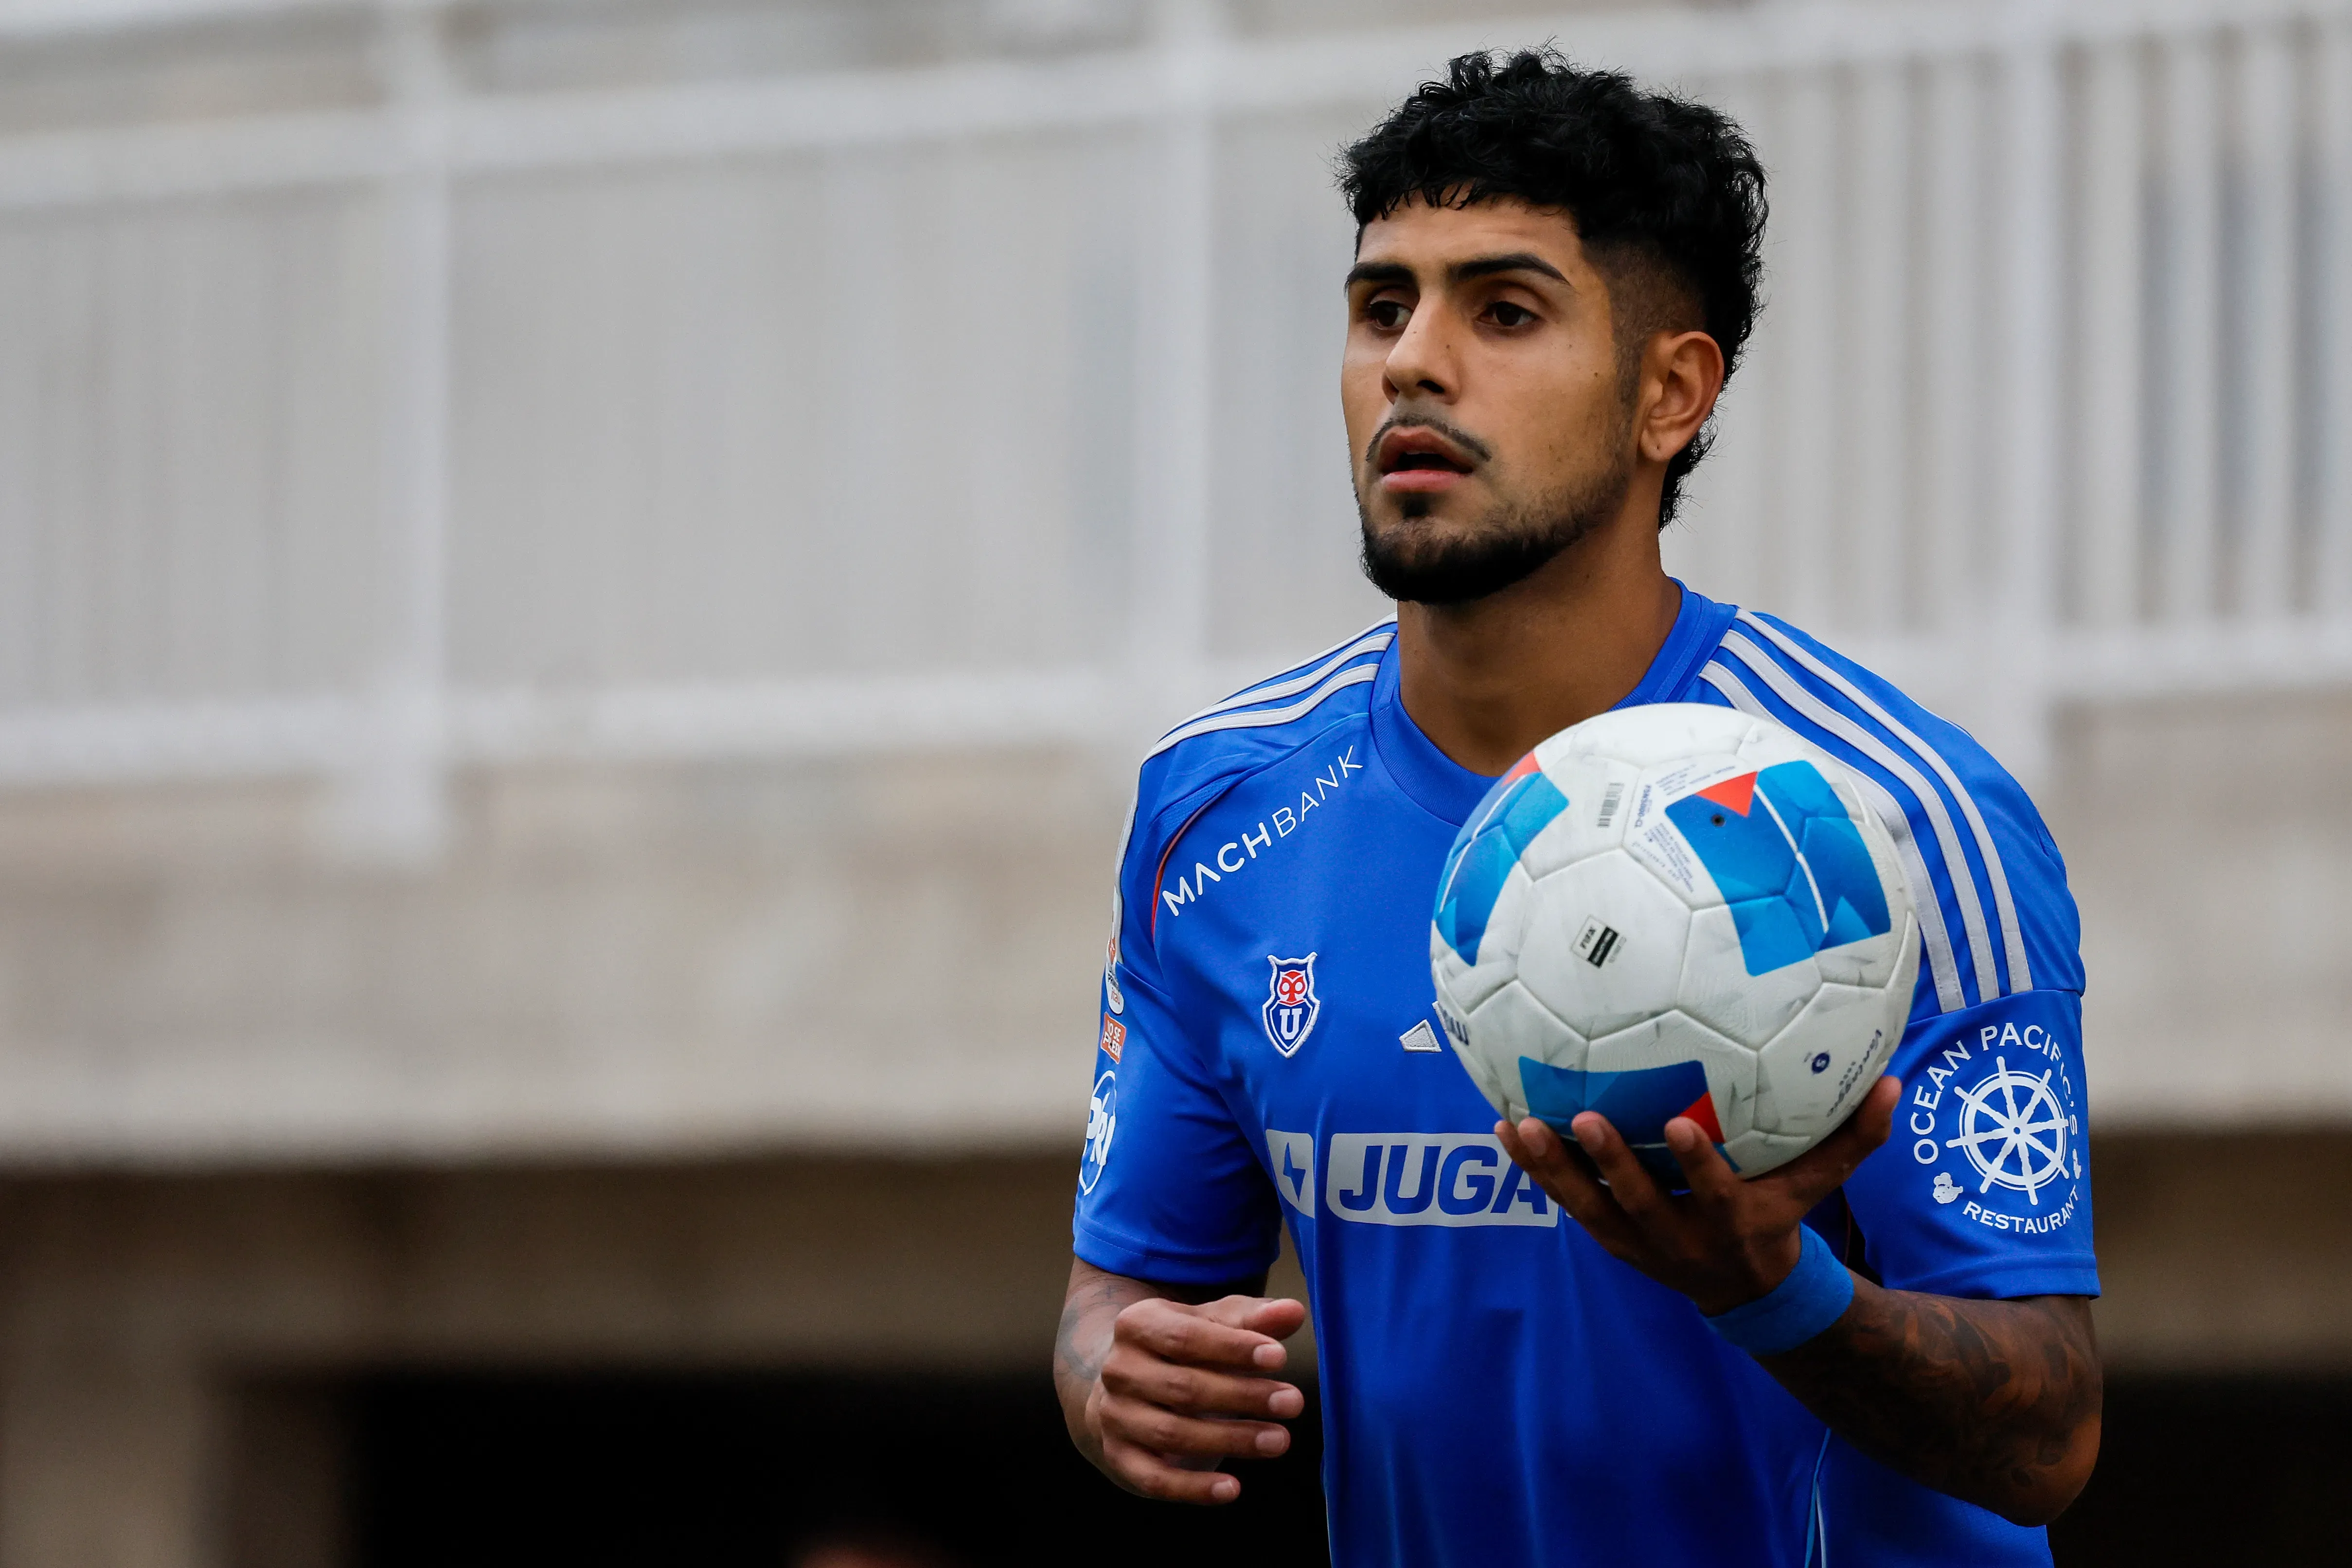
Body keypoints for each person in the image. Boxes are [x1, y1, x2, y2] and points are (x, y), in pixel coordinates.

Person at [1051, 49, 2101, 1568]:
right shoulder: (1216, 810)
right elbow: (1121, 1294)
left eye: (1504, 310)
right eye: (1380, 306)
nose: (1413, 361)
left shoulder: (1887, 820)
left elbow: (2046, 1438)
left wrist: (1770, 1286)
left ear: (1668, 394)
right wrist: (1114, 1379)